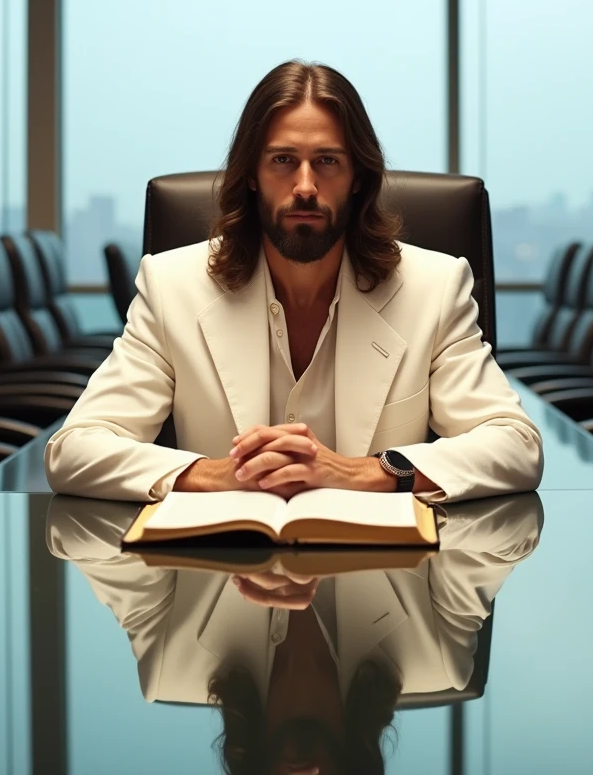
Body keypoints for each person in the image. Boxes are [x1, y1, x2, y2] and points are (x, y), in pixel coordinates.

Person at [45, 60, 543, 503]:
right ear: (253, 175)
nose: (305, 186)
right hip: (221, 587)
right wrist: (216, 475)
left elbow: (516, 447)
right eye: (283, 160)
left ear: (357, 179)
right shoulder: (171, 286)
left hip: (382, 589)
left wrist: (364, 473)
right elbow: (74, 451)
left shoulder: (435, 288)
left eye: (327, 161)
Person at [46, 492, 544, 774]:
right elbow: (508, 540)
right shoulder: (437, 659)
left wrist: (215, 478)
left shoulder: (170, 666)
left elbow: (82, 542)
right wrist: (383, 475)